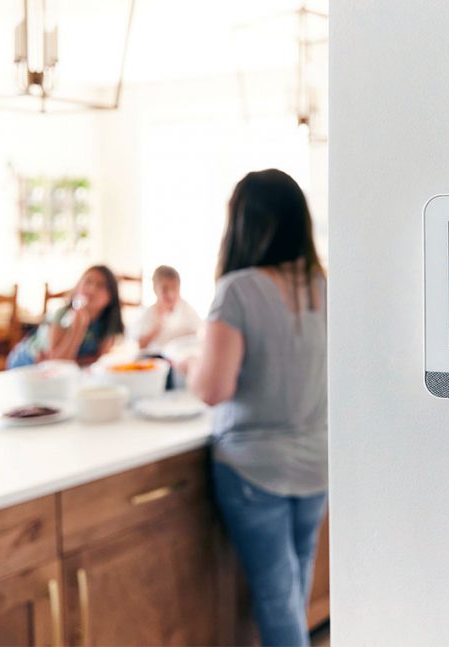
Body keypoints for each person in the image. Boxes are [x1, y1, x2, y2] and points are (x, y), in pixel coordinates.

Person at [186, 169, 327, 647]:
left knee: (275, 597)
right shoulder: (325, 285)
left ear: (244, 224)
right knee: (294, 587)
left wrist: (188, 364)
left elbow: (212, 390)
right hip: (317, 462)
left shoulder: (238, 290)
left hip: (254, 466)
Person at [7, 265, 124, 368]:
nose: (92, 289)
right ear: (77, 287)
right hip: (26, 365)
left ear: (111, 296)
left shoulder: (108, 324)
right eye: (88, 282)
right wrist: (78, 327)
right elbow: (57, 364)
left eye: (101, 285)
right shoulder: (62, 316)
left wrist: (71, 360)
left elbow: (98, 359)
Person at [135, 265, 201, 353]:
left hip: (181, 356)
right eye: (164, 289)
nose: (170, 295)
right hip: (157, 357)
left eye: (174, 288)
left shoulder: (187, 309)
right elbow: (141, 345)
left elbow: (200, 334)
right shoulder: (150, 312)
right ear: (155, 288)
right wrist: (158, 326)